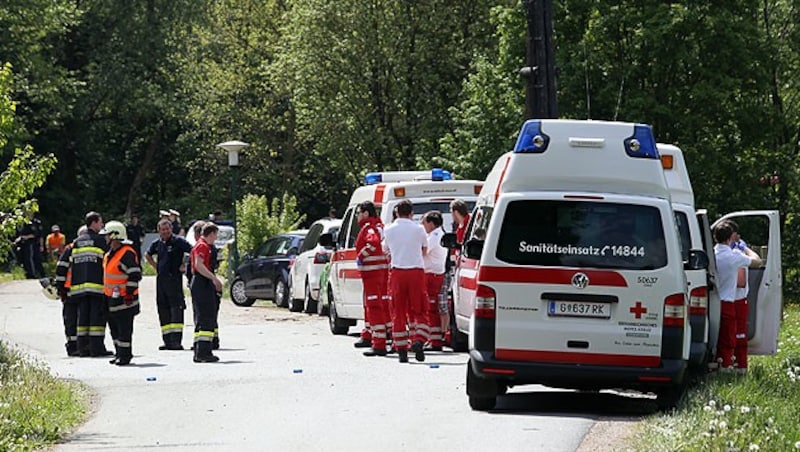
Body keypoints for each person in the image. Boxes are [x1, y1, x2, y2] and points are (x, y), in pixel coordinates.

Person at [383, 199, 428, 363]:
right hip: (416, 271)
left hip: (397, 272)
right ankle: (419, 340)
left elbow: (385, 250)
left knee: (398, 311)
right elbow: (424, 249)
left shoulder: (388, 229)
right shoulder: (419, 229)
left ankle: (401, 349)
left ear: (396, 213)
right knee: (420, 309)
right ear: (411, 213)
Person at [712, 221, 761, 372]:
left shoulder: (711, 254)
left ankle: (717, 363)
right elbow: (757, 262)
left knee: (715, 336)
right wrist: (745, 248)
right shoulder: (734, 256)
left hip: (713, 301)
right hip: (727, 302)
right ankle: (726, 366)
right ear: (731, 238)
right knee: (728, 337)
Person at [146, 218, 193, 350]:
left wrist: (185, 264)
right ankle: (167, 341)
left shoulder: (178, 241)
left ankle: (176, 341)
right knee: (163, 310)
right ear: (159, 231)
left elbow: (193, 251)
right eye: (163, 229)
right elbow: (148, 255)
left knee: (176, 309)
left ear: (171, 229)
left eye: (167, 229)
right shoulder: (157, 243)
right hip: (161, 281)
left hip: (174, 280)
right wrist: (156, 266)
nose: (165, 231)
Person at [70, 211, 112, 357]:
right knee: (97, 319)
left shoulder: (77, 242)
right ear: (93, 223)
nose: (101, 225)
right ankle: (96, 348)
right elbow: (108, 261)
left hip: (79, 288)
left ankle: (83, 348)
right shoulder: (99, 241)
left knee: (82, 319)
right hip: (96, 287)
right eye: (100, 222)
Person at [100, 221, 142, 366]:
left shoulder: (127, 253)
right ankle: (119, 353)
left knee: (124, 329)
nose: (105, 238)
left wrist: (129, 293)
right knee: (115, 329)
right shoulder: (108, 255)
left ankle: (125, 356)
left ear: (114, 236)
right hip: (111, 300)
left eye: (107, 235)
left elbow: (135, 275)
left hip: (125, 300)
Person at [353, 201, 390, 357]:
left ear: (366, 213)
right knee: (382, 305)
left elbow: (373, 244)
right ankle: (385, 336)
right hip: (381, 273)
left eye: (359, 213)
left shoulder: (369, 228)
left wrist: (361, 256)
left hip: (372, 274)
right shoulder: (380, 226)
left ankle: (379, 343)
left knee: (374, 307)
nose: (357, 216)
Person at [190, 223, 223, 363]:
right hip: (201, 283)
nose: (215, 239)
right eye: (215, 235)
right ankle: (203, 352)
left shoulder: (200, 244)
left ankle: (200, 350)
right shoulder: (203, 246)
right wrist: (213, 278)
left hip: (200, 283)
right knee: (206, 317)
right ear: (211, 234)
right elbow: (199, 264)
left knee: (202, 317)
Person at [728, 220, 756, 373]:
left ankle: (733, 365)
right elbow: (740, 282)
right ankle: (740, 366)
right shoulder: (737, 254)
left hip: (728, 299)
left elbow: (740, 281)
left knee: (732, 334)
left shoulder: (720, 253)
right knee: (738, 334)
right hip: (737, 300)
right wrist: (746, 249)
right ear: (734, 235)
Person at [55, 225, 87, 356]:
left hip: (78, 291)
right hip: (70, 291)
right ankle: (73, 347)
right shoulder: (71, 249)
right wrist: (61, 288)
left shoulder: (75, 249)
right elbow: (61, 268)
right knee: (71, 320)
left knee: (78, 320)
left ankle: (80, 346)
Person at [421, 210, 447, 352]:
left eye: (424, 222)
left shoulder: (434, 236)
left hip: (432, 276)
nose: (422, 225)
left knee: (431, 307)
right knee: (431, 307)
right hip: (433, 275)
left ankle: (435, 340)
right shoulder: (436, 234)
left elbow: (423, 251)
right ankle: (434, 338)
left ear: (431, 223)